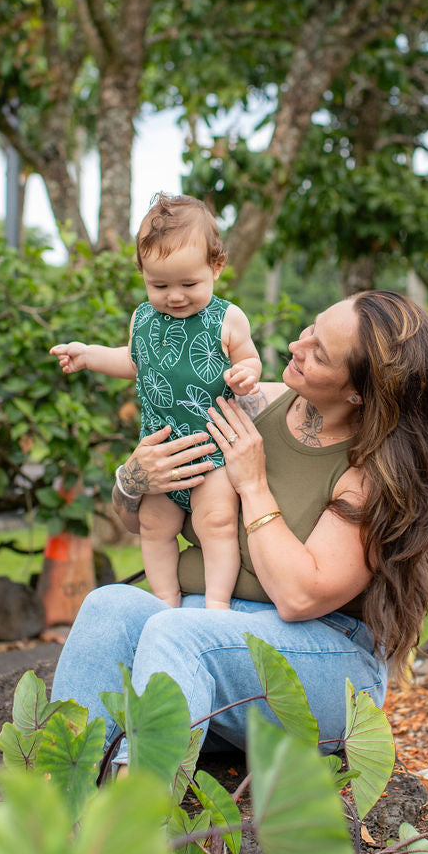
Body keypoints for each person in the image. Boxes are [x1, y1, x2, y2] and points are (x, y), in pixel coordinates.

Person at [49, 290, 428, 763]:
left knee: (178, 632)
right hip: (214, 634)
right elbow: (141, 521)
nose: (296, 345)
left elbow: (299, 597)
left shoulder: (373, 473)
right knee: (109, 605)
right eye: (310, 329)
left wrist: (253, 484)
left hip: (325, 665)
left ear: (359, 391)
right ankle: (61, 797)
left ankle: (136, 818)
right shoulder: (251, 402)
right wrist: (134, 478)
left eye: (319, 352)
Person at [51, 193, 262, 610]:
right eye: (159, 285)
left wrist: (246, 375)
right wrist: (88, 354)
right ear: (143, 274)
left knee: (216, 523)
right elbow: (132, 360)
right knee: (152, 524)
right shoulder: (142, 318)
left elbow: (249, 359)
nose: (175, 296)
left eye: (189, 284)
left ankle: (215, 606)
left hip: (212, 451)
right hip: (161, 452)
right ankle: (166, 602)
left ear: (215, 267)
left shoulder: (227, 318)